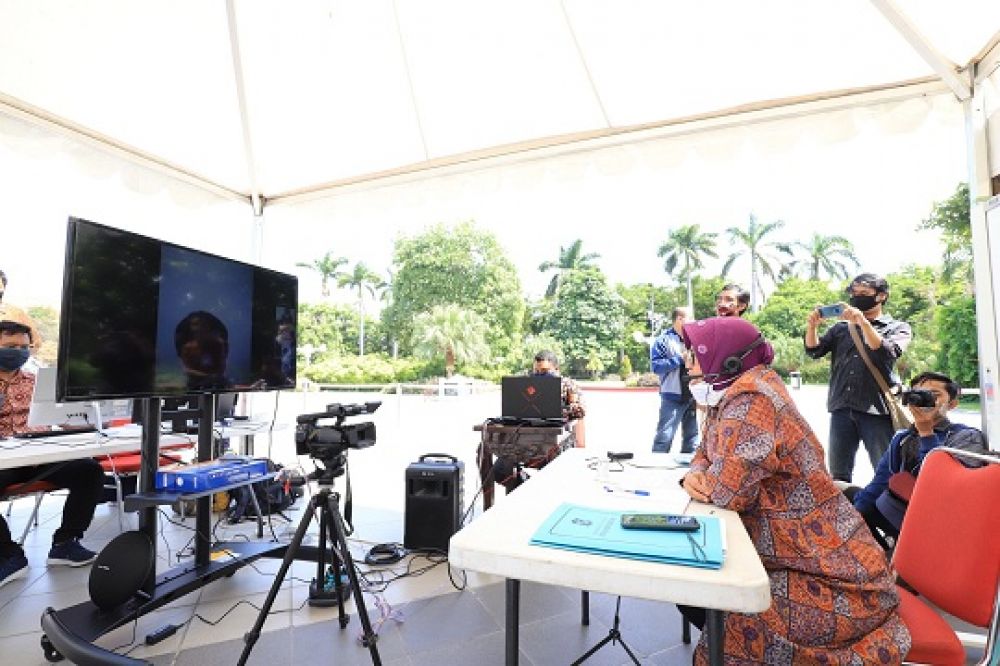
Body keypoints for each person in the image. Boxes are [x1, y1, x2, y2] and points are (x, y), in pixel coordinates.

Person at [678, 317, 910, 664]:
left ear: (728, 360)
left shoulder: (751, 399)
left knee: (732, 611)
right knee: (701, 591)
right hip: (798, 560)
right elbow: (704, 454)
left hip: (838, 581)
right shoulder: (731, 393)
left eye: (693, 352)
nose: (686, 361)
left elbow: (729, 493)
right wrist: (694, 475)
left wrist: (702, 478)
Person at [0, 317, 104, 589]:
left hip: (41, 453)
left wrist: (81, 420)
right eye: (10, 345)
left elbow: (57, 416)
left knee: (89, 470)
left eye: (24, 347)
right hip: (4, 460)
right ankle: (8, 555)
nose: (19, 352)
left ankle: (65, 543)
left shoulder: (37, 381)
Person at [847, 371, 987, 552]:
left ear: (952, 404)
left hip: (941, 525)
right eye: (918, 395)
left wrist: (927, 433)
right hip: (902, 515)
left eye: (934, 395)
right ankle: (882, 555)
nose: (924, 401)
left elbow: (944, 489)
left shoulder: (966, 437)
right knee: (847, 497)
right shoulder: (902, 438)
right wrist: (851, 521)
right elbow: (880, 482)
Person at [804, 272, 912, 482]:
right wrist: (812, 326)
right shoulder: (840, 328)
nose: (857, 297)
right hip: (841, 408)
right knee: (839, 474)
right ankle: (844, 513)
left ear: (881, 296)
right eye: (854, 293)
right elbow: (814, 350)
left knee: (885, 470)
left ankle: (885, 513)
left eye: (864, 293)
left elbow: (886, 352)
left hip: (876, 411)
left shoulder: (898, 327)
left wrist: (863, 323)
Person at [491, 350, 585, 492]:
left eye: (545, 371)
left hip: (556, 441)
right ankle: (528, 487)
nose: (540, 374)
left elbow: (580, 413)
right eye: (537, 371)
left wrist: (560, 410)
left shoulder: (569, 385)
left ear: (556, 369)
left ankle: (538, 493)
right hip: (523, 441)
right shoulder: (527, 385)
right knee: (499, 472)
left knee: (551, 477)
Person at [650, 307, 698, 454]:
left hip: (692, 396)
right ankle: (656, 467)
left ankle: (688, 471)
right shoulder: (663, 340)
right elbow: (656, 367)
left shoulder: (695, 338)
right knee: (664, 436)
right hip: (672, 397)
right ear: (679, 319)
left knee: (692, 438)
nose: (694, 321)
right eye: (690, 318)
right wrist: (679, 359)